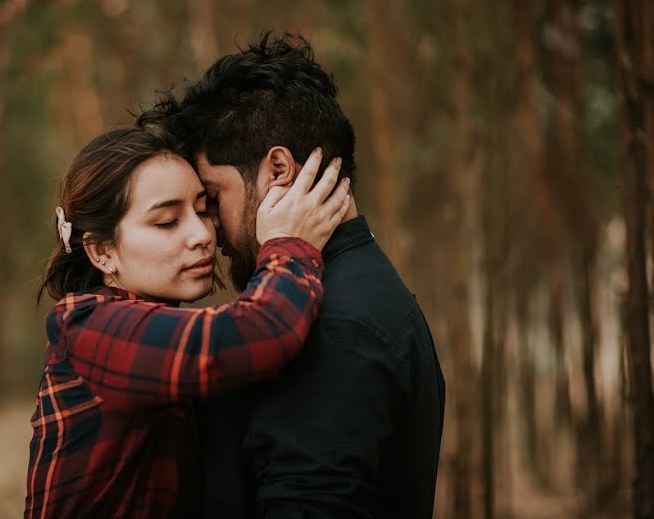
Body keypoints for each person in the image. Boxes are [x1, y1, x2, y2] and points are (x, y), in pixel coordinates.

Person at [138, 33, 446, 518]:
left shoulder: (331, 325)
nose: (211, 231)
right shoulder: (352, 292)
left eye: (214, 199)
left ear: (277, 169)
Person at [24, 126, 351, 518]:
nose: (202, 235)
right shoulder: (86, 326)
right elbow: (261, 331)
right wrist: (290, 243)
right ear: (101, 251)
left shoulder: (155, 328)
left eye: (202, 209)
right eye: (166, 222)